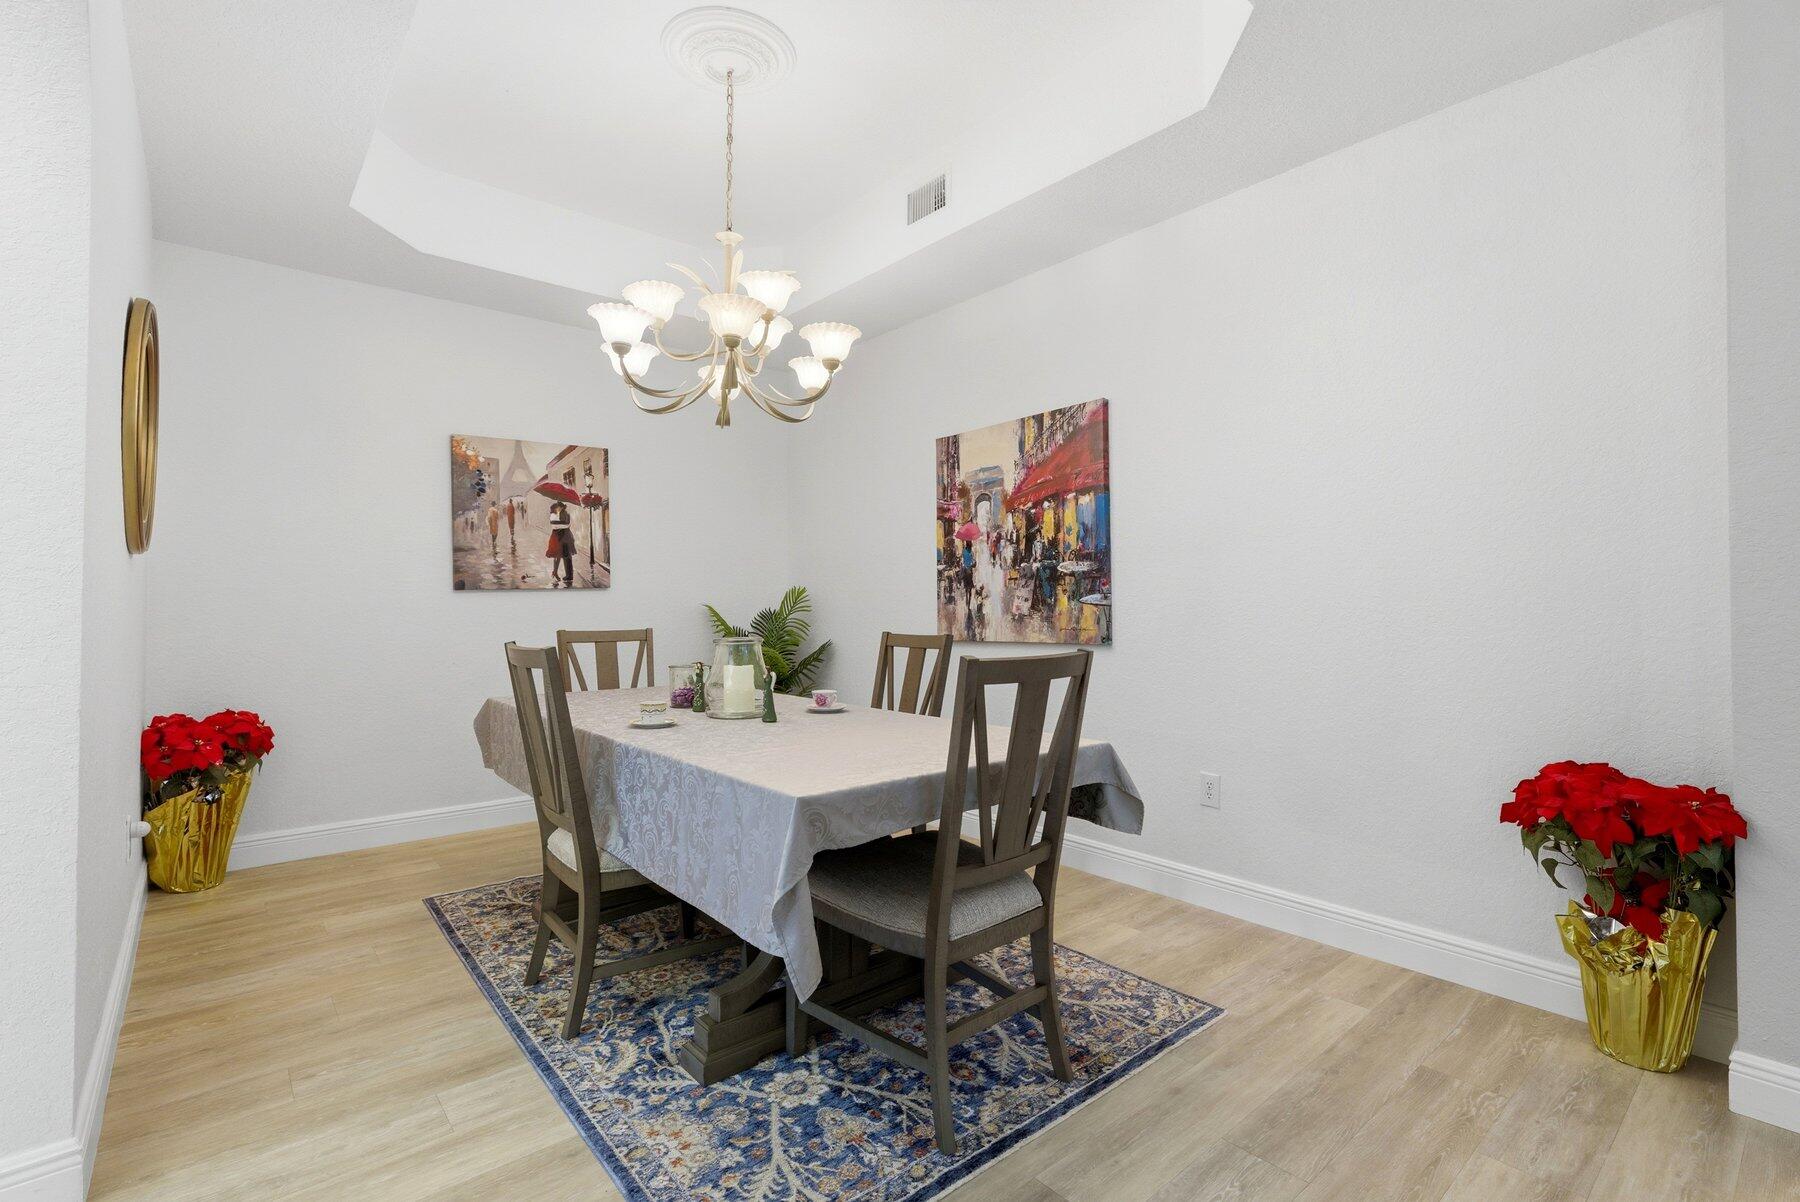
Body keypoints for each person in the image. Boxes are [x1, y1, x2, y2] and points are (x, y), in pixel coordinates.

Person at [548, 500, 576, 586]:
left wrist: (558, 525)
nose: (558, 508)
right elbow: (555, 524)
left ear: (562, 507)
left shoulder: (565, 514)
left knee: (566, 556)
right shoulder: (556, 514)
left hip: (565, 538)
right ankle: (564, 574)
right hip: (560, 538)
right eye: (557, 507)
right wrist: (559, 525)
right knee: (562, 556)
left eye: (559, 507)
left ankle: (569, 575)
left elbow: (566, 524)